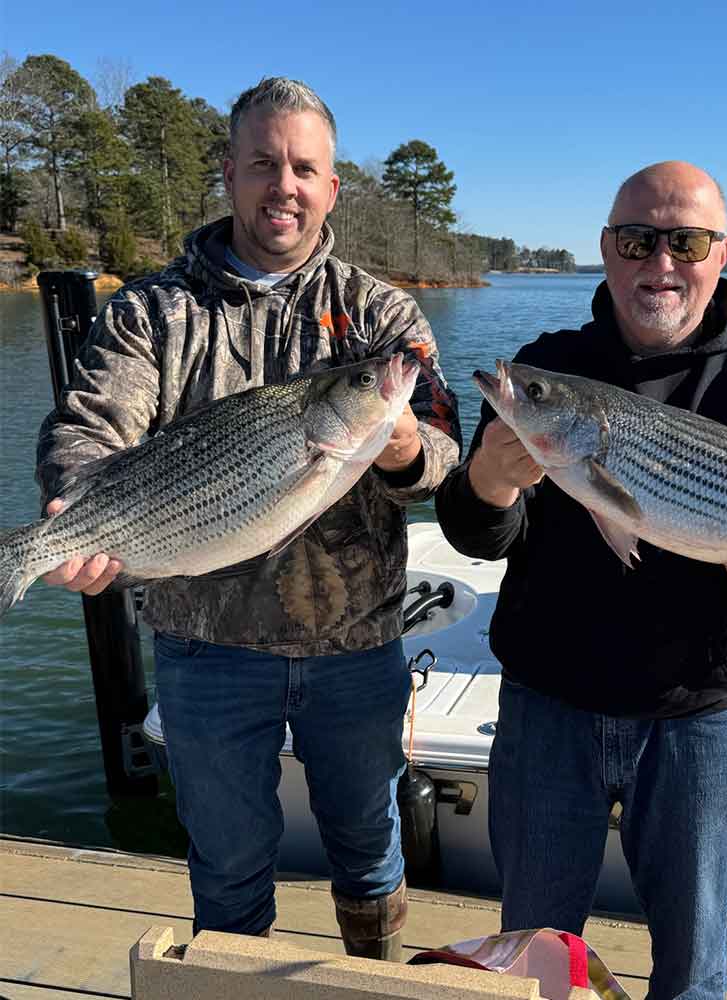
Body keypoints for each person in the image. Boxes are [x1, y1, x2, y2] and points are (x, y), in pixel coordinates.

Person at [35, 77, 461, 959]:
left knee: (370, 854)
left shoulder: (380, 316)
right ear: (229, 173)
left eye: (304, 168)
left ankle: (372, 975)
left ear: (331, 187)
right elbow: (89, 425)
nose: (284, 186)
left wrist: (405, 448)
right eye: (264, 163)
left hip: (356, 648)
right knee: (227, 872)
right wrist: (75, 508)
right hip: (204, 650)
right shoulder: (152, 310)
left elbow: (444, 455)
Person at [434, 161, 727, 999]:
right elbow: (480, 537)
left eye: (686, 241)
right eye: (637, 239)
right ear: (605, 248)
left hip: (702, 720)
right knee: (531, 958)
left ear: (721, 254)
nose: (661, 262)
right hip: (548, 710)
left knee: (693, 967)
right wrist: (489, 484)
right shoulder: (544, 372)